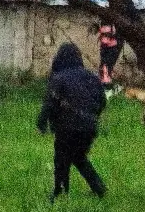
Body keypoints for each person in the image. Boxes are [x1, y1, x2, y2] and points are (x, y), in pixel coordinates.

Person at [37, 41, 108, 201]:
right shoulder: (92, 77)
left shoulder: (58, 78)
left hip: (67, 127)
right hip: (89, 126)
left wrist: (42, 123)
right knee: (78, 156)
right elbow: (102, 101)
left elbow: (50, 103)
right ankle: (99, 187)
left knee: (62, 159)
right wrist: (91, 115)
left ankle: (60, 192)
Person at [97, 22, 124, 94]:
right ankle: (105, 80)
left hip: (114, 43)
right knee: (105, 63)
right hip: (112, 42)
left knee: (107, 63)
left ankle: (106, 80)